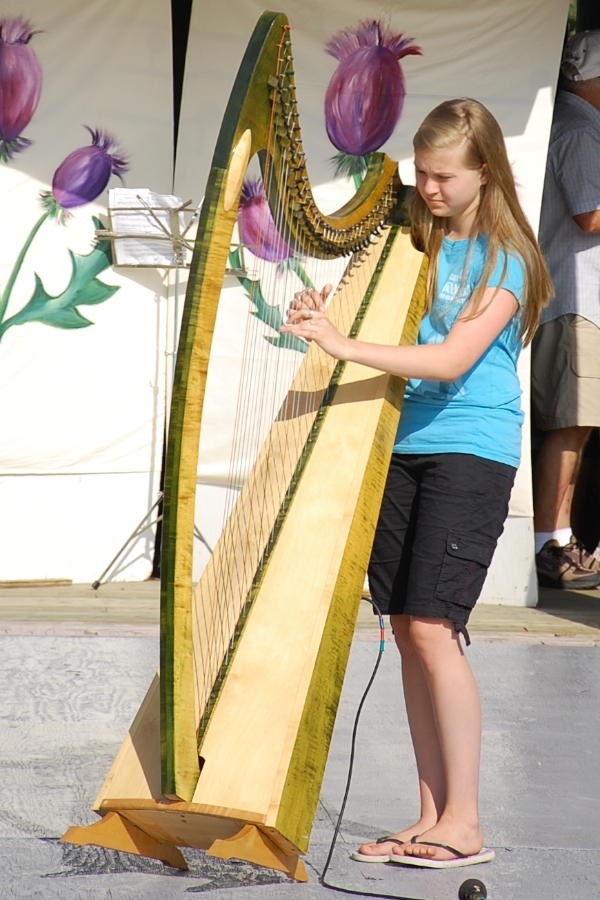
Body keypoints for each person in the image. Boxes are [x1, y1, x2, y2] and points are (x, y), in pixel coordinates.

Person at [281, 98, 552, 869]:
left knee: (435, 628)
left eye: (442, 177)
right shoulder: (414, 241)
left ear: (485, 173)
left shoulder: (507, 257)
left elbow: (449, 361)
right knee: (404, 628)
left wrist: (344, 345)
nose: (426, 189)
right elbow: (394, 327)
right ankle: (429, 815)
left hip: (470, 451)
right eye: (420, 174)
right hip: (399, 446)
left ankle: (465, 821)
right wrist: (321, 314)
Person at [533, 30, 600, 589]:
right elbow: (589, 215)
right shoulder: (579, 130)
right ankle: (551, 546)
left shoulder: (581, 126)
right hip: (573, 298)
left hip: (577, 299)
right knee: (568, 425)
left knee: (575, 426)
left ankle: (560, 540)